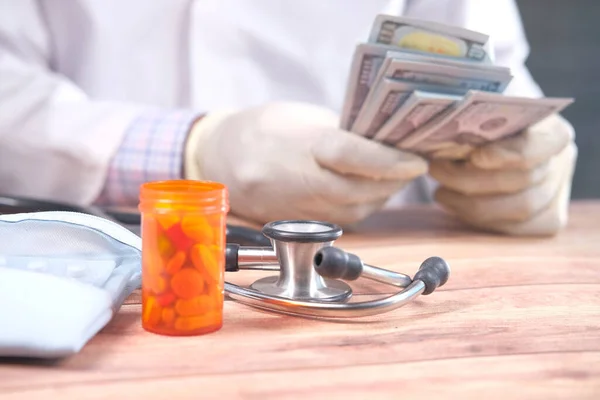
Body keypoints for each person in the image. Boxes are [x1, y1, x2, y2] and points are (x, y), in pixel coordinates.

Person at [0, 0, 577, 236]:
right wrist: (193, 151)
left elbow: (479, 65)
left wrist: (521, 171)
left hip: (374, 261)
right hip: (94, 246)